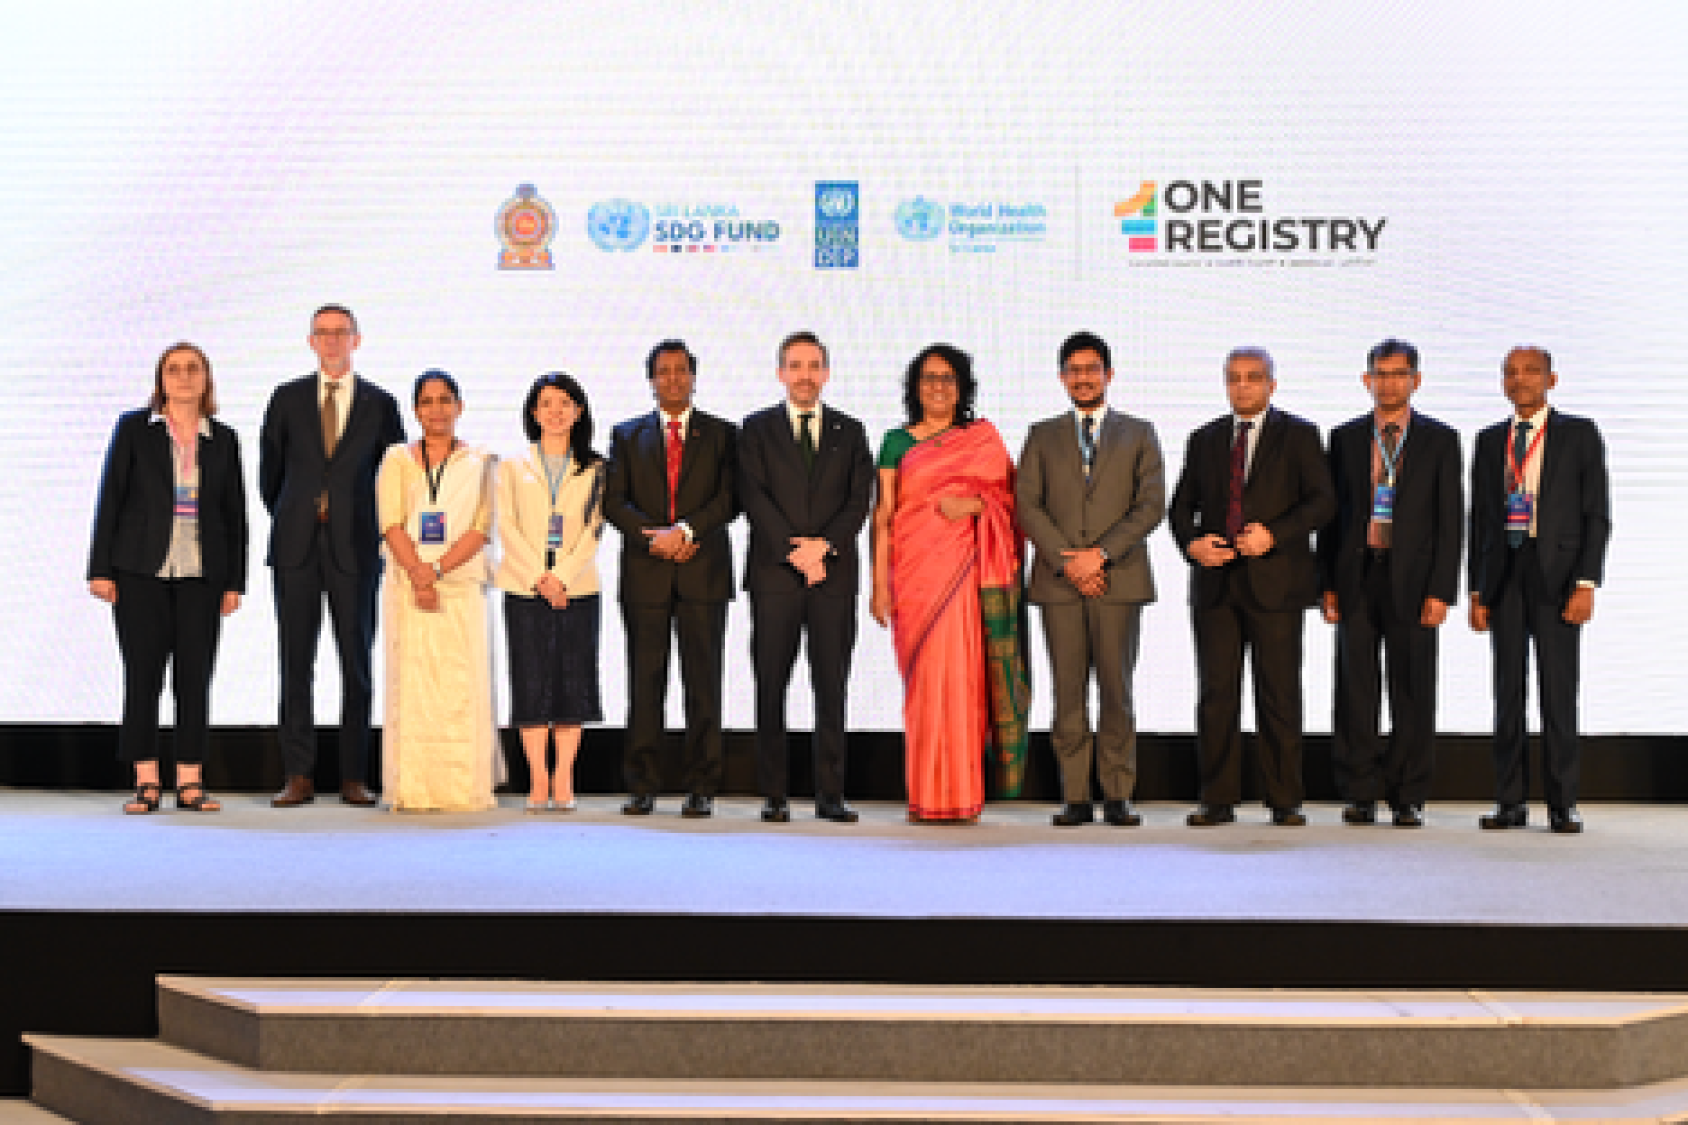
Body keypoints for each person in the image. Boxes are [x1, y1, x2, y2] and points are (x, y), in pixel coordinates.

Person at [1168, 347, 1335, 827]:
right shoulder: (1204, 439)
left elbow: (1323, 502)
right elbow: (1180, 509)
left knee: (1279, 694)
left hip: (1277, 586)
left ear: (1271, 385)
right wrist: (1192, 544)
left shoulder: (1300, 435)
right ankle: (1217, 799)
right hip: (1215, 586)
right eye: (1234, 378)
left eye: (1253, 378)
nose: (1243, 386)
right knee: (1217, 694)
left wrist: (1275, 534)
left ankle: (1285, 800)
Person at [870, 343, 1029, 824]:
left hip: (967, 581)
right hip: (915, 580)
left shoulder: (982, 440)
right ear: (914, 387)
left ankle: (962, 794)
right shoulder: (896, 442)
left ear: (962, 388)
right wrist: (879, 585)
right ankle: (925, 794)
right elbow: (884, 518)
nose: (937, 387)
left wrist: (976, 507)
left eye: (947, 378)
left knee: (963, 685)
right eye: (928, 378)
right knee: (922, 691)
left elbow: (1010, 506)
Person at [87, 343, 248, 814]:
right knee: (143, 677)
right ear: (161, 380)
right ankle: (146, 781)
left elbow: (234, 515)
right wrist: (100, 569)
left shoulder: (224, 438)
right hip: (138, 571)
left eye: (192, 369)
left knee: (194, 678)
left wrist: (234, 580)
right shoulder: (135, 429)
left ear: (206, 378)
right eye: (173, 370)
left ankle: (191, 781)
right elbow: (111, 498)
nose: (183, 377)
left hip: (202, 573)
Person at [1017, 332, 1165, 828]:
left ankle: (1118, 794)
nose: (1083, 377)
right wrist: (1070, 562)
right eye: (1073, 370)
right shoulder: (1041, 435)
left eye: (1092, 368)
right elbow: (1027, 506)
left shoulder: (1140, 432)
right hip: (1060, 584)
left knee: (1117, 691)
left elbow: (1150, 506)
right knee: (1068, 692)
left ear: (1109, 374)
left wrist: (1099, 557)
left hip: (1118, 581)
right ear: (1062, 377)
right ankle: (1075, 796)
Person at [260, 305, 405, 807]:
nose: (332, 341)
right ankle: (298, 775)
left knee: (356, 665)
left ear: (356, 340)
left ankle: (353, 776)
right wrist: (302, 510)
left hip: (356, 548)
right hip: (296, 547)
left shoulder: (381, 404)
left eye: (340, 333)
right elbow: (269, 478)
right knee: (295, 663)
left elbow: (395, 479)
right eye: (322, 333)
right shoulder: (286, 398)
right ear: (311, 341)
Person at [1318, 340, 1463, 829]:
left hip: (1416, 583)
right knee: (1355, 691)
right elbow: (1330, 520)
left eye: (1399, 374)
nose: (1389, 382)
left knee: (1413, 690)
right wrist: (1327, 585)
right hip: (1356, 577)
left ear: (1415, 380)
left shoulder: (1441, 440)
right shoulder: (1343, 438)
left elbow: (1450, 522)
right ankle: (1359, 793)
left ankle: (1408, 796)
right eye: (1380, 374)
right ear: (1367, 380)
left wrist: (1443, 590)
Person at [1469, 346, 1611, 834]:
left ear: (1552, 378)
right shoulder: (1489, 441)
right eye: (1510, 371)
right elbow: (1480, 521)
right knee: (1506, 694)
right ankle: (1508, 802)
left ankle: (1562, 803)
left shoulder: (1580, 434)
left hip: (1559, 579)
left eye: (1531, 371)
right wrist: (1476, 590)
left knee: (1558, 693)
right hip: (1504, 576)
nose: (1520, 379)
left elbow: (1597, 516)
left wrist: (1587, 583)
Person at [739, 332, 875, 824]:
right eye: (795, 366)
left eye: (814, 365)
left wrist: (825, 548)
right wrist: (797, 552)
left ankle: (830, 793)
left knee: (831, 685)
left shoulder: (851, 431)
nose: (805, 375)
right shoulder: (754, 430)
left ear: (827, 373)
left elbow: (859, 500)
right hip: (776, 577)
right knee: (771, 685)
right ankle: (774, 793)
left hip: (833, 579)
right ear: (780, 373)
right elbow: (753, 497)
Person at [604, 340, 737, 818]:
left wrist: (685, 531)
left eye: (682, 371)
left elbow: (730, 498)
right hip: (646, 576)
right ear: (652, 379)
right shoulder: (625, 435)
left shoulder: (723, 434)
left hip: (704, 574)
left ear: (694, 377)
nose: (674, 379)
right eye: (664, 371)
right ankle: (642, 784)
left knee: (704, 685)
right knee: (645, 683)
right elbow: (614, 501)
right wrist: (654, 538)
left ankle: (703, 785)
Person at [375, 371, 499, 812]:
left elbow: (482, 527)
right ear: (415, 410)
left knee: (458, 685)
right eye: (427, 402)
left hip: (460, 586)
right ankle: (415, 787)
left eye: (445, 400)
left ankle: (460, 787)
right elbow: (390, 521)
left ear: (459, 407)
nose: (436, 409)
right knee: (413, 684)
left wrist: (437, 571)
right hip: (407, 587)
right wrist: (417, 573)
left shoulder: (481, 461)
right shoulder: (397, 459)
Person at [494, 372, 606, 812]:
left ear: (579, 411)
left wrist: (563, 577)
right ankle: (537, 777)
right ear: (533, 412)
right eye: (546, 403)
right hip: (525, 589)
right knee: (531, 682)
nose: (556, 412)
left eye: (565, 403)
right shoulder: (511, 466)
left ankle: (564, 776)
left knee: (571, 685)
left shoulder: (595, 467)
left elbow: (594, 532)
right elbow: (508, 528)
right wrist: (541, 577)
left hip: (578, 590)